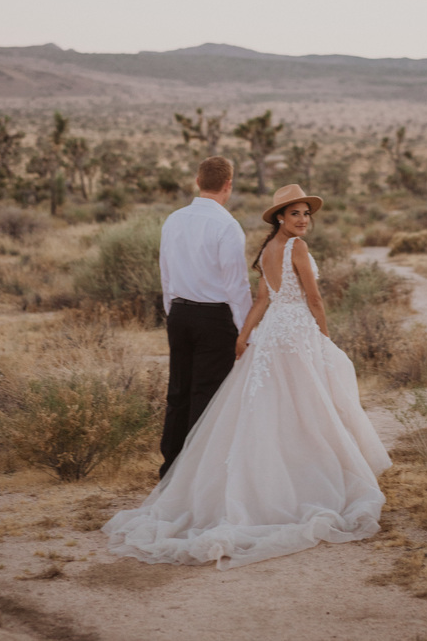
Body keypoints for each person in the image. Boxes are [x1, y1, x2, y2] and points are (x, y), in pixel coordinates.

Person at [103, 183, 392, 569]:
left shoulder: (267, 250)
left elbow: (261, 300)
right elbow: (314, 298)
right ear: (280, 217)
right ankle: (308, 479)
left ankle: (279, 476)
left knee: (274, 406)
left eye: (307, 213)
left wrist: (243, 337)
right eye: (295, 214)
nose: (303, 220)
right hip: (296, 331)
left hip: (274, 331)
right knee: (308, 405)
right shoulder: (297, 248)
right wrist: (324, 335)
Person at [157, 155, 252, 478]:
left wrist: (174, 313)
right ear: (228, 185)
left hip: (180, 313)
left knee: (178, 391)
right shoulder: (227, 226)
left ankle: (170, 468)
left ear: (197, 182)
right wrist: (245, 332)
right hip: (215, 318)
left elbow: (165, 275)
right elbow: (236, 285)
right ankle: (198, 475)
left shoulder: (173, 220)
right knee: (208, 396)